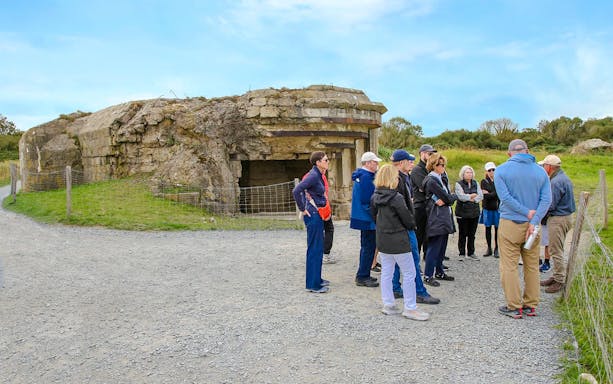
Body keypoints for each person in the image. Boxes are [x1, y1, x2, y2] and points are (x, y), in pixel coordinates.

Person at [495, 139, 551, 318]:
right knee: (532, 265)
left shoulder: (501, 171)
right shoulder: (541, 172)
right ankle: (531, 304)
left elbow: (505, 198)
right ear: (527, 151)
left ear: (509, 153)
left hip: (511, 222)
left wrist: (526, 213)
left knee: (509, 266)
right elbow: (546, 200)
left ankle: (514, 306)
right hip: (533, 226)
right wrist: (534, 219)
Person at [370, 164, 430, 321]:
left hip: (383, 239)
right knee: (410, 272)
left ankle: (388, 304)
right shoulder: (396, 198)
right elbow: (408, 219)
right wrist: (412, 225)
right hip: (398, 239)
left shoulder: (375, 197)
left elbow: (373, 215)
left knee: (387, 272)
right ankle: (410, 308)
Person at [390, 149, 440, 304]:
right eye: (409, 161)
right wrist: (409, 223)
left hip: (401, 226)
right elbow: (400, 206)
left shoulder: (403, 177)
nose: (411, 163)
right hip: (404, 226)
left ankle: (395, 288)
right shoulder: (397, 179)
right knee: (413, 258)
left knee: (398, 259)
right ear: (401, 162)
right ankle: (419, 291)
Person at [292, 151, 331, 293]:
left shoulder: (319, 175)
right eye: (325, 160)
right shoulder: (314, 175)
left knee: (318, 247)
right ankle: (313, 284)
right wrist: (302, 208)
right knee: (314, 248)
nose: (328, 162)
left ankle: (317, 279)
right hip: (313, 214)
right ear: (318, 162)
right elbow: (297, 190)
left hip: (317, 214)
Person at [538, 155, 576, 293]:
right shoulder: (562, 177)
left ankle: (559, 280)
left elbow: (550, 204)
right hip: (564, 217)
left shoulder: (555, 182)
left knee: (555, 249)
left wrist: (539, 214)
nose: (543, 168)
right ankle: (556, 275)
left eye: (544, 166)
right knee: (557, 247)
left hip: (558, 218)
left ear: (549, 166)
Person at [422, 153, 457, 287]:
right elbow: (448, 198)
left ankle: (439, 271)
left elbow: (448, 199)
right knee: (434, 246)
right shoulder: (431, 180)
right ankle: (428, 275)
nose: (442, 167)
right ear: (432, 165)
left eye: (443, 164)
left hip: (444, 215)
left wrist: (450, 198)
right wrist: (451, 197)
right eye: (439, 164)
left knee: (442, 246)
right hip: (436, 217)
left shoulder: (441, 178)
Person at [350, 151, 382, 288]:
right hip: (367, 218)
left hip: (364, 217)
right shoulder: (366, 177)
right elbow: (368, 201)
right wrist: (375, 216)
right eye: (375, 162)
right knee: (369, 247)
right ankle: (362, 276)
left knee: (367, 247)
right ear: (368, 163)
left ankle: (364, 274)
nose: (377, 164)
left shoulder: (362, 175)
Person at [302, 169, 335, 264]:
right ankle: (325, 254)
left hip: (314, 208)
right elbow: (323, 194)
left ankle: (318, 255)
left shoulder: (309, 176)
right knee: (328, 229)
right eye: (325, 161)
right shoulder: (318, 177)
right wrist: (326, 210)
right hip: (320, 208)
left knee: (318, 232)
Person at [410, 144, 436, 260]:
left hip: (430, 205)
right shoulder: (417, 170)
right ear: (422, 154)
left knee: (430, 234)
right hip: (420, 206)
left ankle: (429, 258)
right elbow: (425, 188)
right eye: (429, 154)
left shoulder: (430, 169)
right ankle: (416, 261)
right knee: (418, 236)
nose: (431, 156)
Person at [455, 165, 483, 261]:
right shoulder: (458, 184)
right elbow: (461, 197)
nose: (469, 174)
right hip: (462, 212)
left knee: (472, 234)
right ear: (463, 174)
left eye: (471, 172)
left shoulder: (476, 183)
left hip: (474, 212)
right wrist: (471, 196)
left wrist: (472, 199)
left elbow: (480, 196)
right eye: (467, 172)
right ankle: (461, 253)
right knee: (463, 233)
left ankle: (471, 252)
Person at [480, 162, 500, 258]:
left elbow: (496, 193)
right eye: (489, 170)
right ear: (486, 172)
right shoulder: (484, 181)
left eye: (493, 169)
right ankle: (489, 247)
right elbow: (486, 195)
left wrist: (490, 193)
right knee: (487, 228)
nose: (491, 172)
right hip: (487, 208)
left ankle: (497, 248)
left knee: (497, 229)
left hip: (497, 208)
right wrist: (492, 193)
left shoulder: (498, 180)